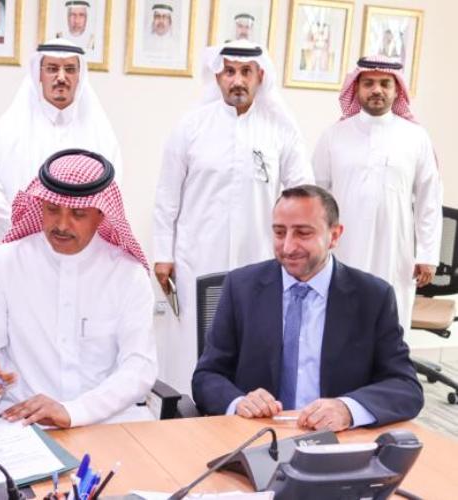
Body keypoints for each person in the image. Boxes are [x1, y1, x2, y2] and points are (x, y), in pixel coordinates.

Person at [192, 185, 424, 430]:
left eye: (303, 233)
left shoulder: (373, 296)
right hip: (257, 435)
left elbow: (405, 386)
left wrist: (348, 409)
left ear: (334, 236)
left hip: (337, 439)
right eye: (279, 233)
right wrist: (239, 402)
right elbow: (206, 376)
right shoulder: (241, 287)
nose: (288, 247)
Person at [153, 40, 313, 393]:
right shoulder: (191, 126)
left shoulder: (280, 130)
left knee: (254, 334)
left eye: (245, 72)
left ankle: (246, 405)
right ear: (217, 77)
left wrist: (298, 250)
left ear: (260, 77)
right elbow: (166, 196)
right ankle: (188, 405)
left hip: (258, 255)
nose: (237, 80)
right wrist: (163, 253)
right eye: (229, 72)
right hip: (198, 254)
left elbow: (304, 193)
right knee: (194, 337)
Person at [0, 150, 157, 428]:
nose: (62, 225)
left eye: (78, 213)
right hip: (24, 422)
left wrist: (74, 411)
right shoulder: (5, 262)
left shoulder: (128, 273)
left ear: (100, 214)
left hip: (109, 422)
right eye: (52, 209)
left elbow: (139, 366)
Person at [313, 56, 442, 332]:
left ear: (397, 90)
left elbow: (429, 199)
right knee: (342, 319)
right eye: (368, 83)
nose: (377, 90)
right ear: (356, 88)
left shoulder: (415, 137)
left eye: (385, 83)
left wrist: (427, 254)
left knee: (391, 320)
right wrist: (315, 244)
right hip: (344, 245)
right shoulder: (333, 135)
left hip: (395, 246)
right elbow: (316, 195)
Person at [0, 39, 123, 240]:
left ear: (80, 75)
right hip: (19, 244)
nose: (61, 77)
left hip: (81, 245)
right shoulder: (11, 127)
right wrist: (22, 230)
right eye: (52, 69)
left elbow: (111, 192)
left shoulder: (99, 132)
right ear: (39, 74)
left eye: (70, 69)